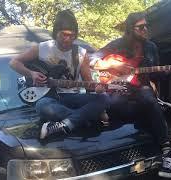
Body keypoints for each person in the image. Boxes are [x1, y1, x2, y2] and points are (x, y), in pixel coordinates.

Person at [89, 12, 171, 178]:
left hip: (141, 90)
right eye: (141, 27)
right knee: (117, 106)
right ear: (130, 29)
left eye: (146, 26)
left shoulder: (151, 48)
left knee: (148, 95)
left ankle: (167, 153)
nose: (145, 29)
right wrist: (113, 65)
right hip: (119, 92)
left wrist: (170, 71)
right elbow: (92, 59)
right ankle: (154, 108)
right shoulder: (117, 45)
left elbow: (155, 75)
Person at [9, 10, 108, 139]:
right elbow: (13, 62)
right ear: (56, 32)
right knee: (42, 105)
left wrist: (98, 89)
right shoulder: (42, 48)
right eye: (64, 35)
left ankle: (66, 124)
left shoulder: (81, 53)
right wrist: (31, 73)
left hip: (73, 97)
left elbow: (89, 85)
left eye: (72, 36)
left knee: (104, 98)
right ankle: (82, 119)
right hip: (52, 99)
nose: (67, 39)